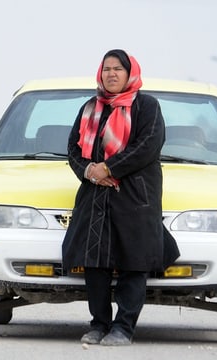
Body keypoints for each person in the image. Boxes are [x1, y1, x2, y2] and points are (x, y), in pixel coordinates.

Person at [62, 49, 180, 346]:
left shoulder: (147, 106)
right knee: (95, 262)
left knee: (133, 262)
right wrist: (89, 171)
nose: (111, 74)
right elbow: (73, 149)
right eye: (106, 69)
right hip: (95, 196)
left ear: (130, 74)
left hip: (135, 198)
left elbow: (148, 146)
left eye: (118, 69)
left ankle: (123, 327)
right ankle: (99, 324)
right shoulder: (91, 107)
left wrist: (109, 167)